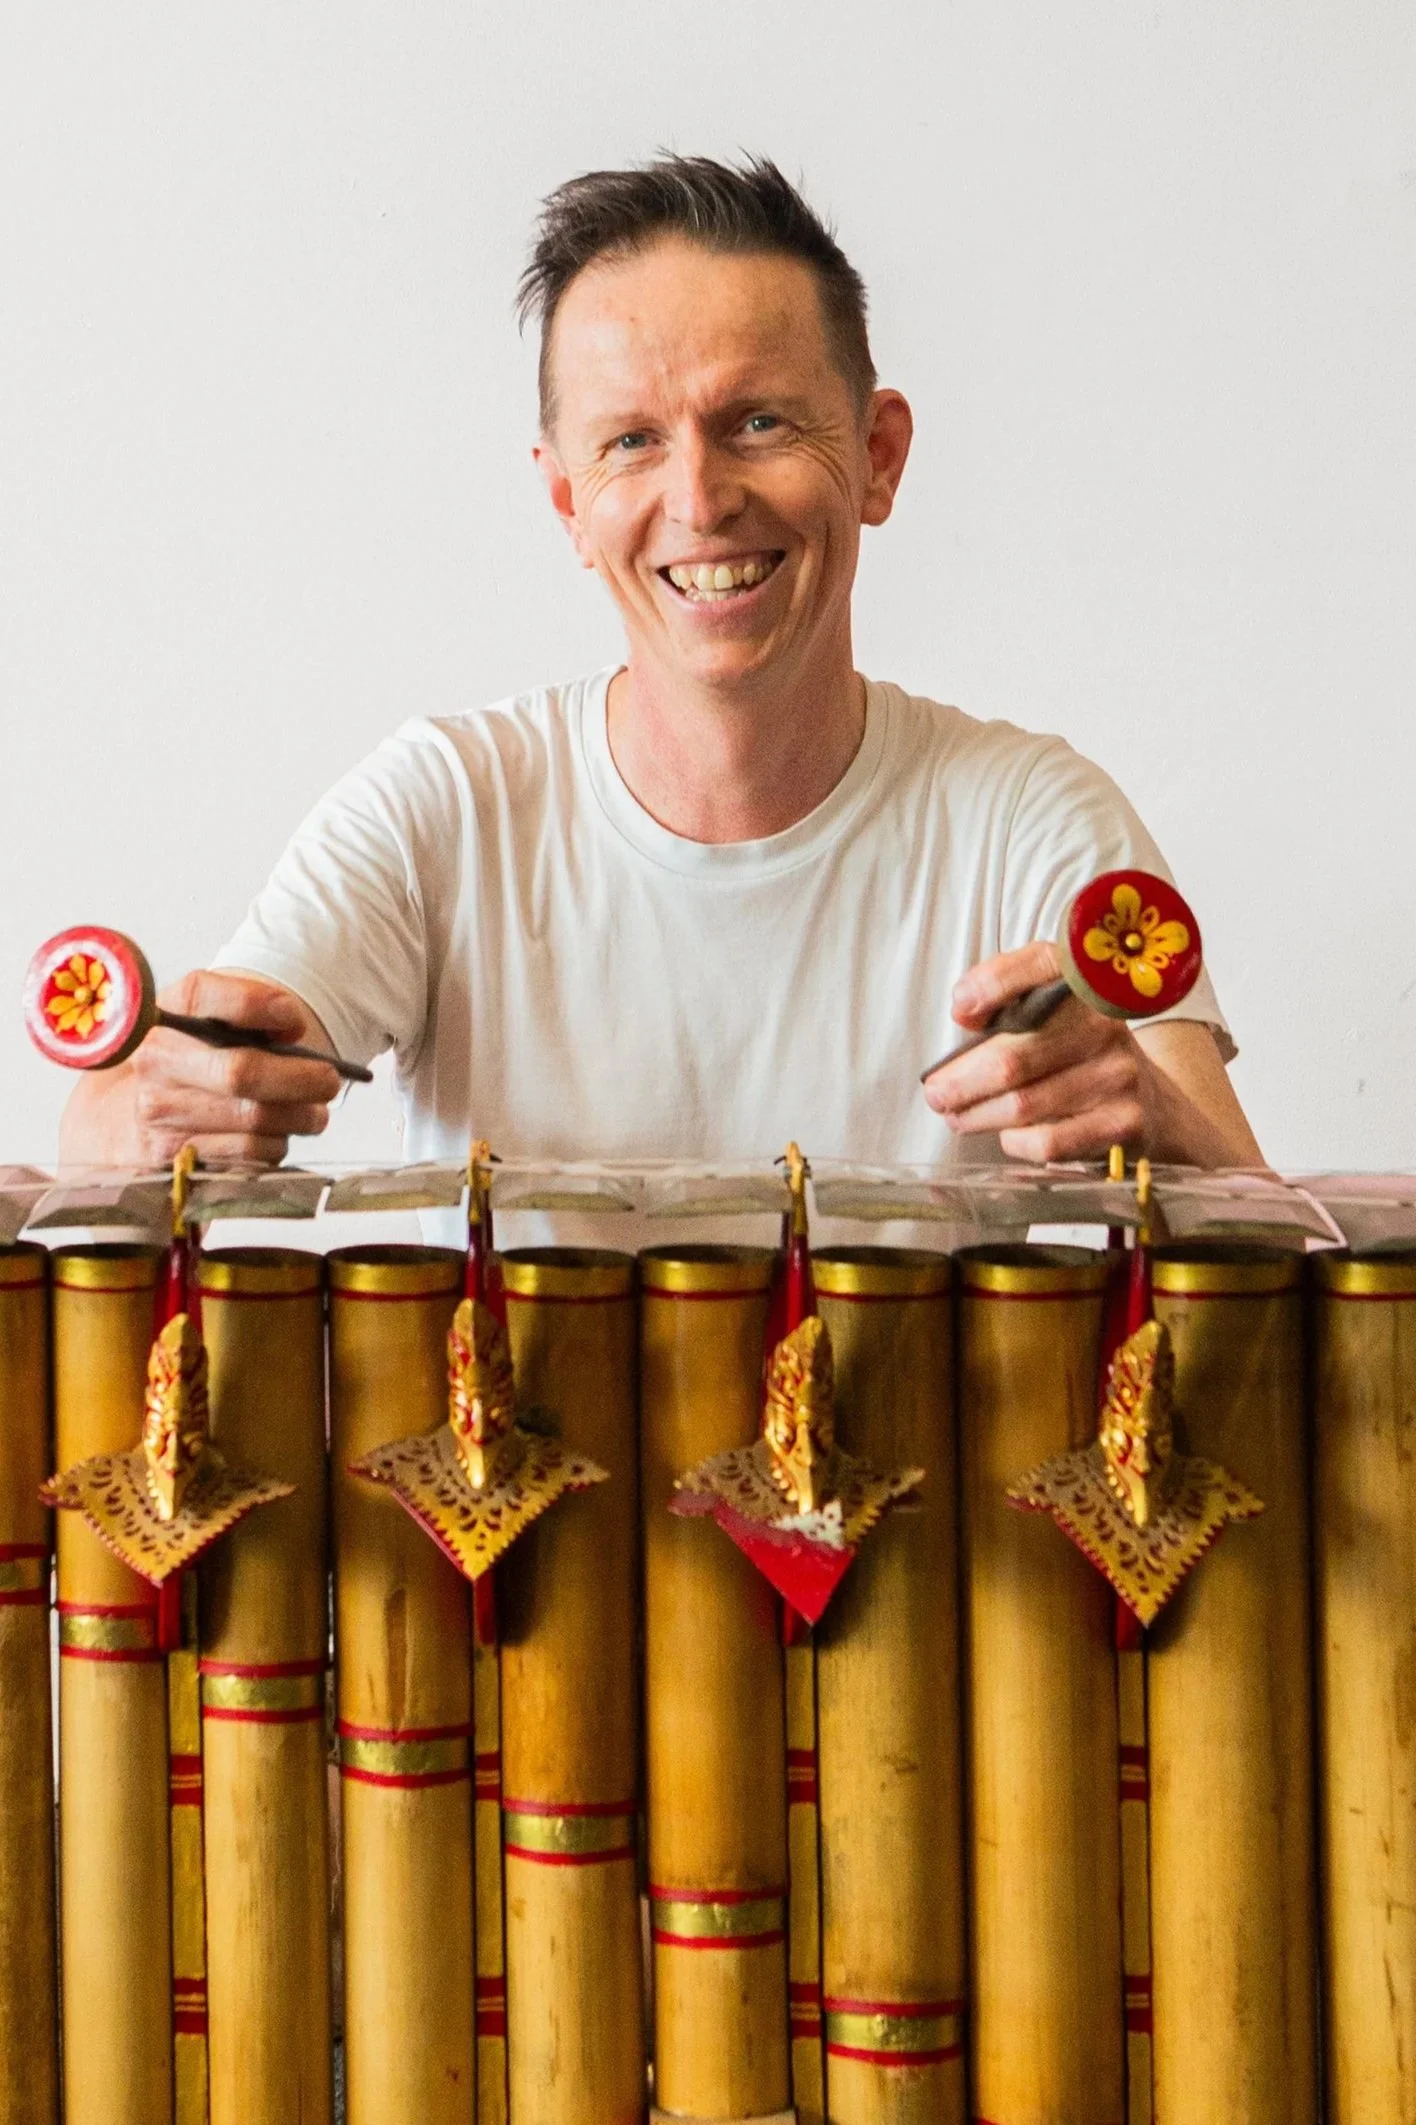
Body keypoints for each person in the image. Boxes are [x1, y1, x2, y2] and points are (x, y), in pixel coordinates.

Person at [61, 155, 1261, 1187]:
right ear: (570, 504)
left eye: (758, 423)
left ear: (879, 458)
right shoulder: (442, 804)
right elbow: (151, 1104)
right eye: (633, 440)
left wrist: (1155, 1128)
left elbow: (1264, 1229)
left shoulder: (1031, 819)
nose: (699, 499)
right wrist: (131, 1110)